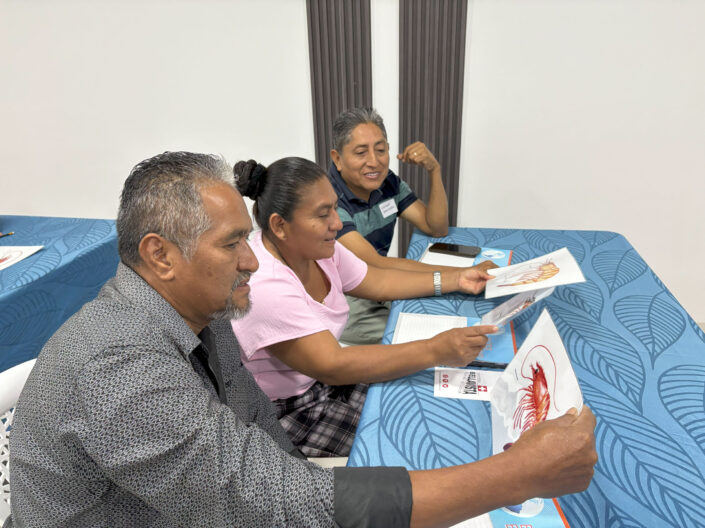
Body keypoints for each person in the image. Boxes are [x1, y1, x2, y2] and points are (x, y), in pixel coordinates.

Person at [8, 151, 597, 528]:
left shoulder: (204, 310)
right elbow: (271, 502)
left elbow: (258, 428)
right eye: (232, 244)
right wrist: (517, 475)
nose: (250, 261)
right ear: (160, 255)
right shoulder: (119, 373)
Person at [232, 157, 492, 457]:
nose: (337, 223)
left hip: (322, 382)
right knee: (409, 436)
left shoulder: (318, 248)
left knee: (418, 401)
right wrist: (435, 350)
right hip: (288, 410)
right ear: (280, 225)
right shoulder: (266, 285)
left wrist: (456, 279)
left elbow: (377, 281)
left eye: (335, 208)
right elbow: (333, 365)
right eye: (323, 214)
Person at [328, 107, 496, 345]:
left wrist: (434, 170)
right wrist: (458, 275)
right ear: (337, 159)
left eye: (380, 150)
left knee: (444, 307)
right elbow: (374, 264)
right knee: (427, 332)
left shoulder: (387, 182)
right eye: (361, 152)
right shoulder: (330, 202)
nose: (374, 162)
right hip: (346, 302)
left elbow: (436, 227)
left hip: (380, 283)